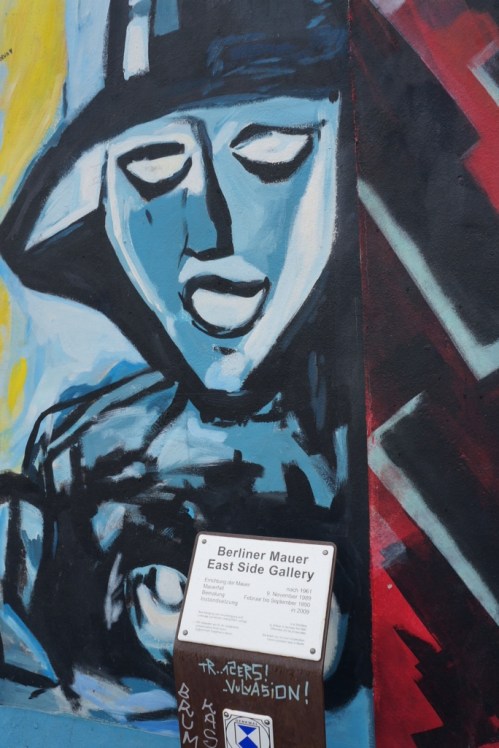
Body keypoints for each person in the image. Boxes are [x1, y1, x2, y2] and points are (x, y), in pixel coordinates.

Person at [0, 0, 371, 738]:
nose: (211, 230)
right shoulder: (81, 449)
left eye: (270, 155)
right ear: (104, 202)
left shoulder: (386, 454)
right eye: (154, 168)